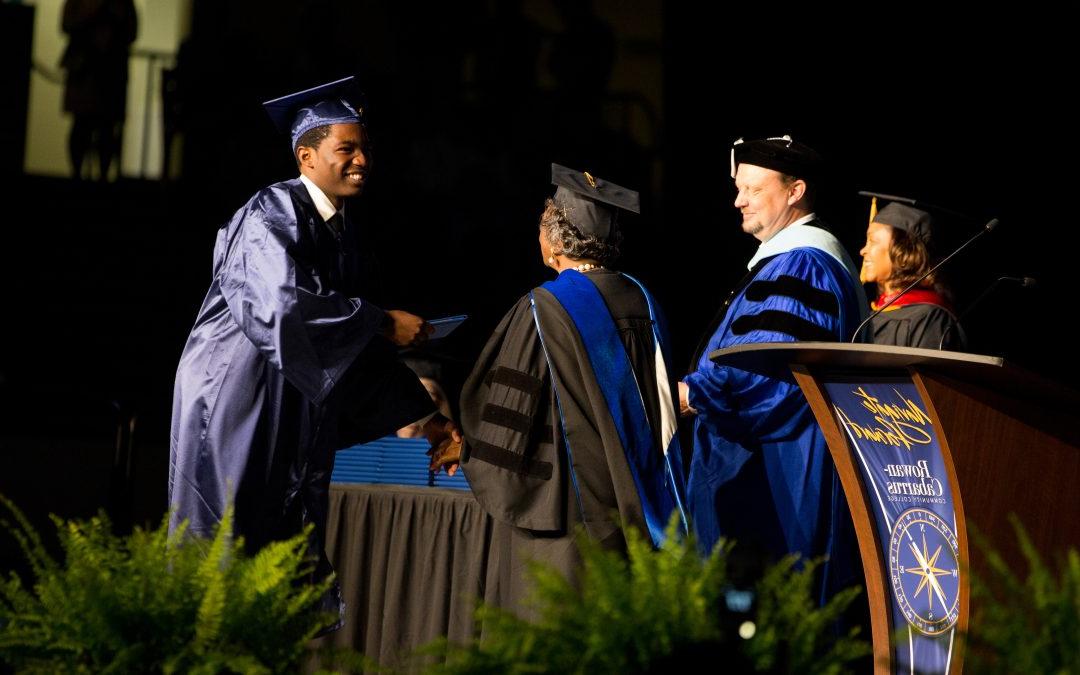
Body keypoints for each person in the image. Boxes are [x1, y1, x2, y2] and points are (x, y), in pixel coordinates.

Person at [169, 76, 454, 629]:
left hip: (287, 397)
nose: (362, 160)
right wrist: (378, 321)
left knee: (277, 546)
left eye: (365, 148)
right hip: (235, 398)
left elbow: (358, 351)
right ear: (307, 156)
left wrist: (432, 419)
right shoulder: (270, 212)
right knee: (226, 542)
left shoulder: (344, 234)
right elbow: (283, 309)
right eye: (346, 149)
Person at [447, 164, 686, 607]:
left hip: (563, 514)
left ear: (555, 239)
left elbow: (503, 416)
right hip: (636, 505)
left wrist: (465, 445)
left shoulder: (546, 307)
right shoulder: (642, 300)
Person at [678, 136, 865, 602]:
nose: (738, 200)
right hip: (774, 463)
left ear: (795, 190)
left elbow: (765, 369)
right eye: (739, 188)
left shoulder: (804, 265)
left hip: (777, 473)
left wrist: (692, 394)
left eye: (753, 189)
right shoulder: (790, 262)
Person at [858, 200, 966, 349]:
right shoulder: (868, 316)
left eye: (873, 241)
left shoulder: (930, 319)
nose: (863, 250)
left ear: (903, 250)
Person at [60, 0, 137, 181]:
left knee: (100, 128)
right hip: (91, 70)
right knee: (88, 127)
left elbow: (131, 32)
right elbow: (67, 23)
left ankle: (88, 172)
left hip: (103, 72)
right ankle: (86, 172)